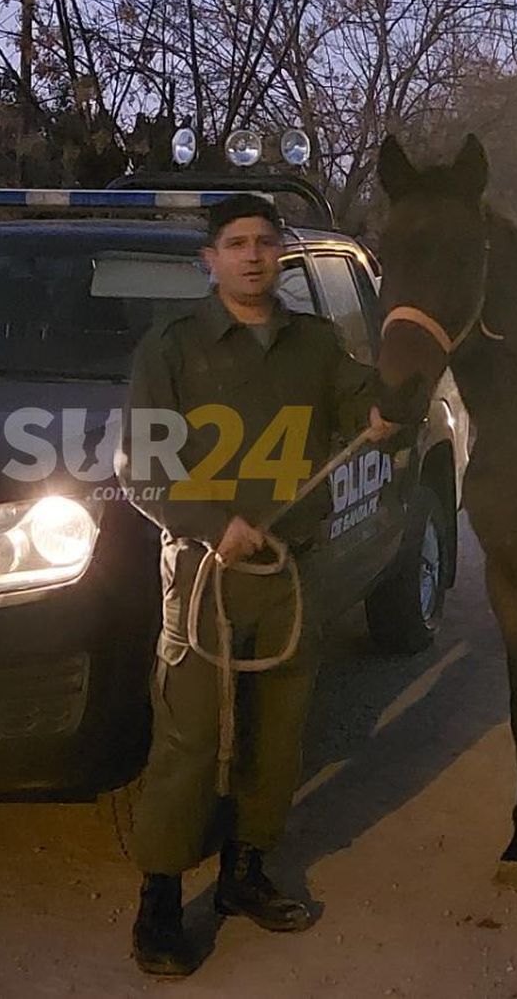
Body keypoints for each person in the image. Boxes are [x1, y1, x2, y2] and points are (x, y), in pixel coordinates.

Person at [117, 193, 400, 976]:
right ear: (209, 260)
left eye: (265, 242)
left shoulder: (315, 344)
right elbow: (140, 468)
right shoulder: (170, 349)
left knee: (277, 733)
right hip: (203, 575)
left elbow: (361, 402)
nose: (252, 255)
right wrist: (213, 525)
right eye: (236, 243)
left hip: (289, 575)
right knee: (189, 736)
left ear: (282, 255)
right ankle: (162, 898)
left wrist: (384, 409)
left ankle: (246, 872)